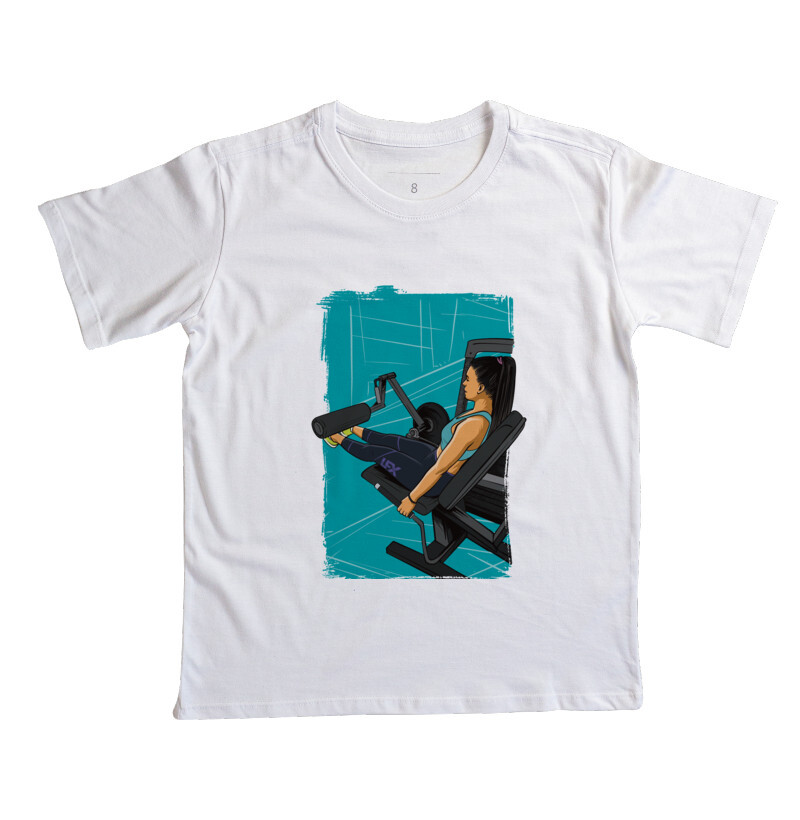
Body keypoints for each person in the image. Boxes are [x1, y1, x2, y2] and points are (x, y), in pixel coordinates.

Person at [324, 356, 516, 517]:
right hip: (432, 456)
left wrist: (411, 499)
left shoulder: (474, 425)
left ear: (481, 388)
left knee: (378, 452)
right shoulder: (478, 412)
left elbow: (439, 469)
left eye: (468, 379)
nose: (464, 383)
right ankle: (351, 429)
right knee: (390, 440)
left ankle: (336, 437)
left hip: (433, 477)